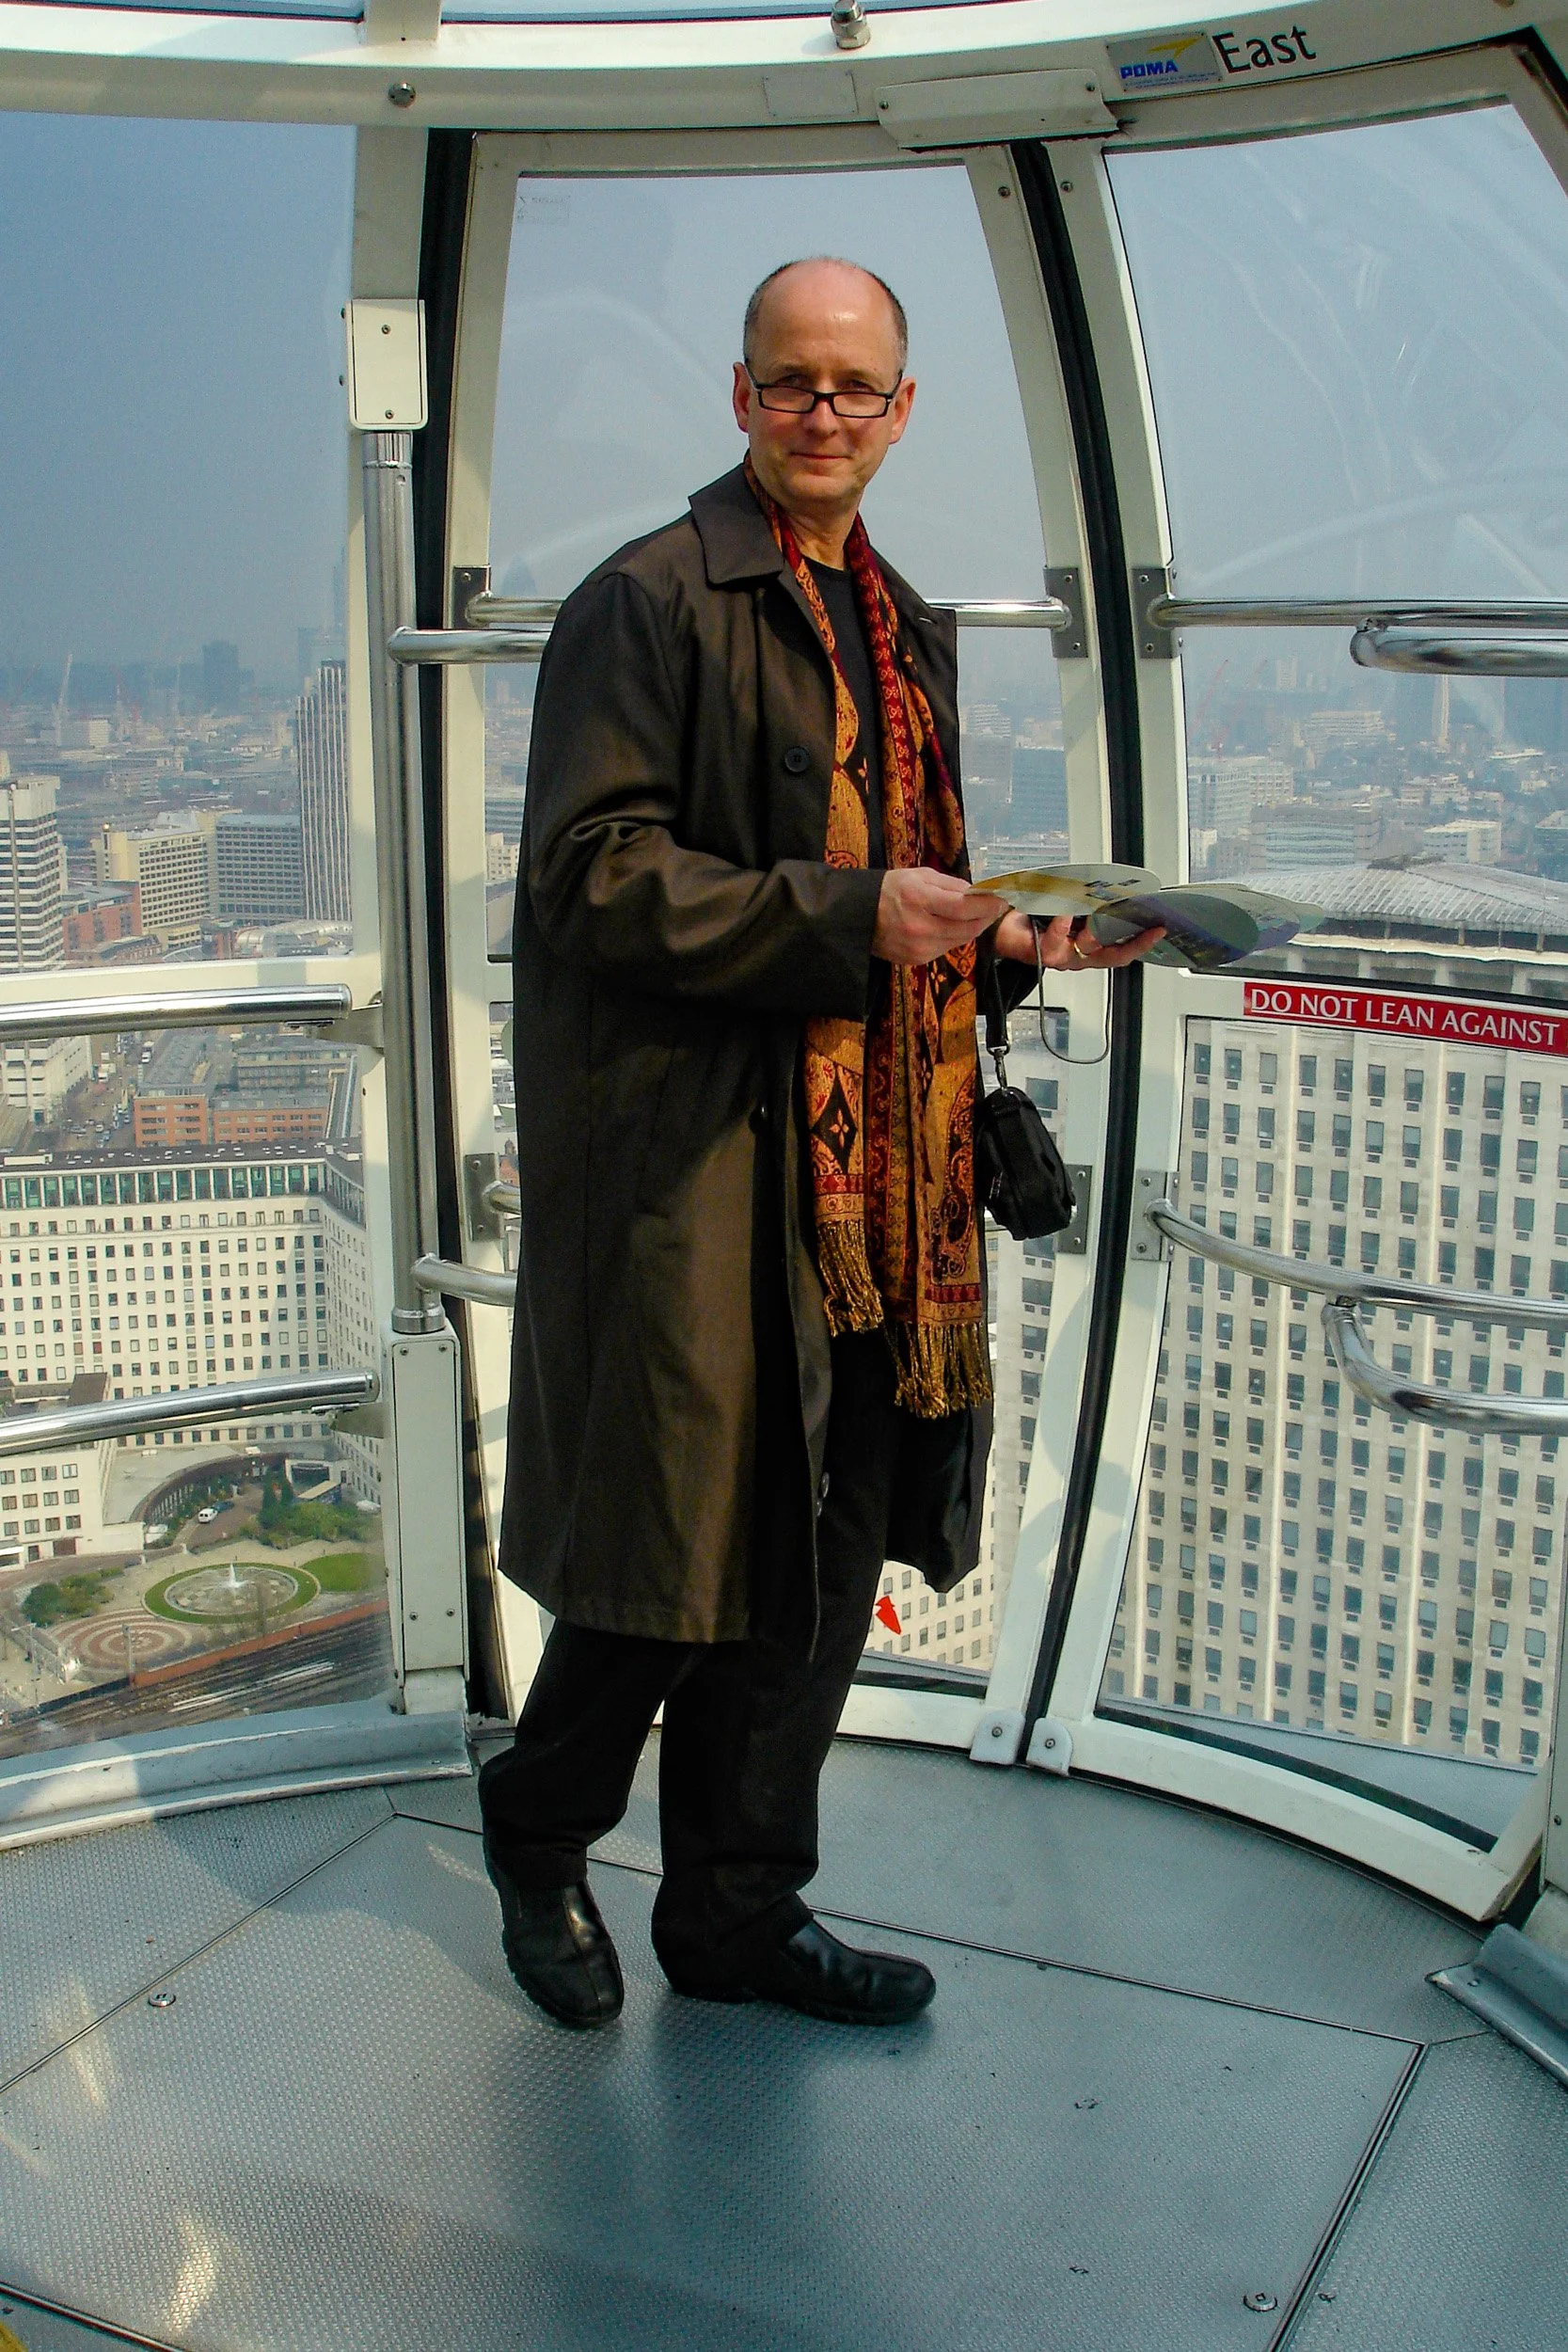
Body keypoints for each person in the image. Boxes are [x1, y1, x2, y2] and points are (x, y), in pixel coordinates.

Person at [479, 256, 1161, 2031]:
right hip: (707, 1173)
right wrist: (855, 914)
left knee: (826, 1553)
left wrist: (1012, 940)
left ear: (902, 410)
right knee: (669, 1558)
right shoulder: (649, 600)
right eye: (791, 381)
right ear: (739, 395)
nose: (823, 413)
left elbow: (907, 895)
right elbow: (586, 878)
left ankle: (734, 1912)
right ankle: (537, 1835)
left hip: (882, 1185)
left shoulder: (897, 618)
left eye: (856, 387)